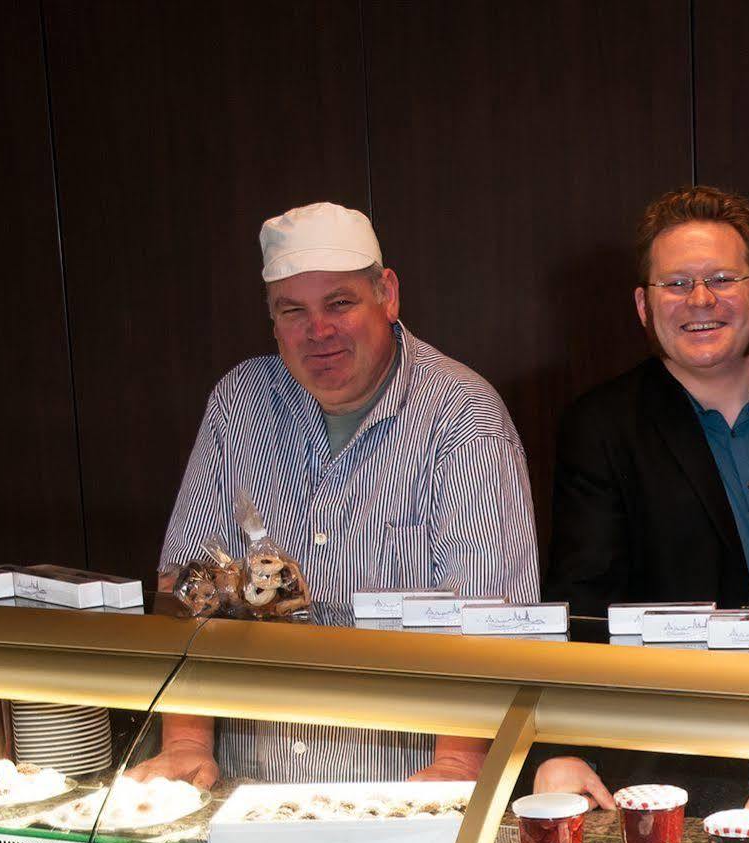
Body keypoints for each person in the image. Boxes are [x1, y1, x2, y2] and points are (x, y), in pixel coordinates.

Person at [137, 201, 539, 788]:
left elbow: (488, 619)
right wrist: (187, 742)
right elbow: (186, 586)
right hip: (249, 782)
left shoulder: (463, 415)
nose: (317, 331)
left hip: (402, 784)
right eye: (292, 310)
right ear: (272, 319)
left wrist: (456, 766)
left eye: (340, 303)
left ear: (388, 294)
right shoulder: (238, 402)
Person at [545, 185, 749, 619]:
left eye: (722, 279)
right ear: (644, 306)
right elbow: (586, 609)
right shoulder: (601, 430)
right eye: (676, 284)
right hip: (694, 685)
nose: (700, 299)